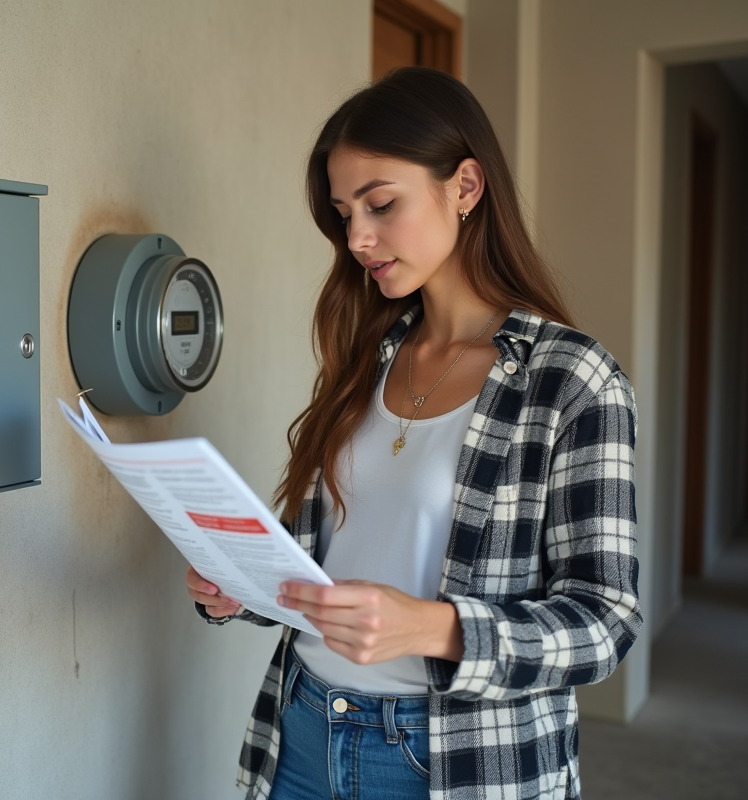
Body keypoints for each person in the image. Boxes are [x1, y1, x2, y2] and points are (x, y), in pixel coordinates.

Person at [186, 67, 641, 800]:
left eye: (381, 203)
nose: (358, 237)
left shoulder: (570, 380)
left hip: (454, 759)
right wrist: (242, 586)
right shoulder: (368, 352)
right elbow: (333, 549)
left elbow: (605, 621)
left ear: (464, 186)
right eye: (343, 213)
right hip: (301, 728)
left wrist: (433, 629)